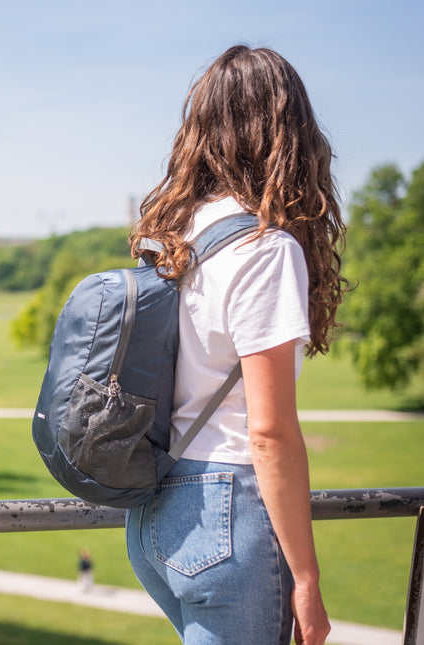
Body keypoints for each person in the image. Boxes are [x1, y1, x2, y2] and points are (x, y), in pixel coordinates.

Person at [125, 45, 348, 645]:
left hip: (154, 511)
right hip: (227, 510)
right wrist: (306, 578)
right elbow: (269, 433)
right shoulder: (266, 248)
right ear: (287, 133)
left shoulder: (171, 235)